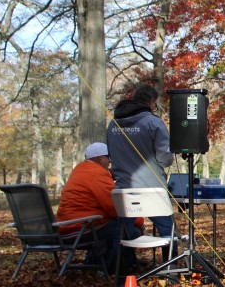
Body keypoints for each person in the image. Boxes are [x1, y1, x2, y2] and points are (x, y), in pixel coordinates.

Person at [106, 84, 175, 262]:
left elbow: (111, 155)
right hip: (153, 189)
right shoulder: (153, 122)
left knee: (122, 231)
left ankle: (117, 269)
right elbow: (165, 158)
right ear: (151, 101)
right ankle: (171, 269)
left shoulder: (113, 125)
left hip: (124, 190)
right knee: (167, 230)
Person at [56, 142, 121, 272]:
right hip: (79, 229)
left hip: (65, 227)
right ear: (100, 158)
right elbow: (115, 208)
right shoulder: (97, 174)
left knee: (115, 226)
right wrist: (139, 223)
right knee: (127, 229)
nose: (110, 161)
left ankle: (100, 262)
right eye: (108, 157)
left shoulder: (80, 170)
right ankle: (113, 268)